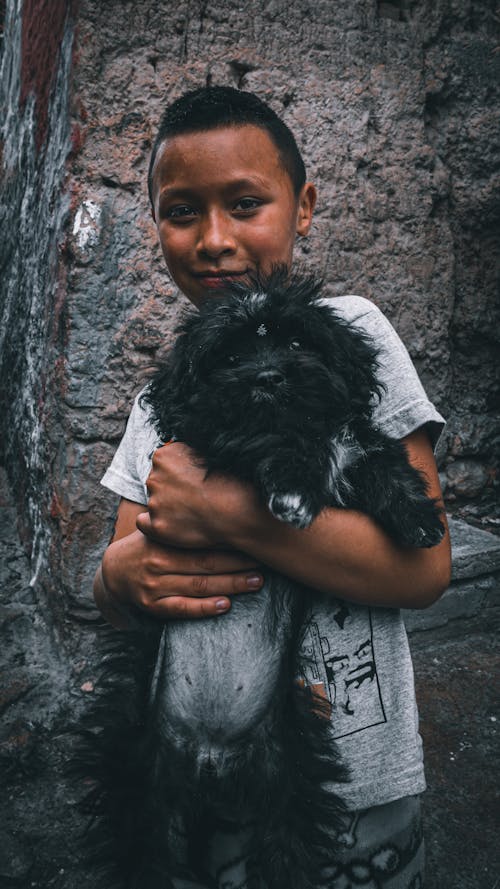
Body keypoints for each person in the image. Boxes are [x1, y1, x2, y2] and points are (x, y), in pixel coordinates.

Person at [93, 85, 451, 888]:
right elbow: (124, 578)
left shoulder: (349, 335)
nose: (215, 239)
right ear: (155, 223)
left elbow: (425, 568)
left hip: (354, 808)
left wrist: (236, 513)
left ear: (304, 206)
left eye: (245, 203)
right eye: (181, 210)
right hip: (193, 813)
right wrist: (113, 574)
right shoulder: (163, 396)